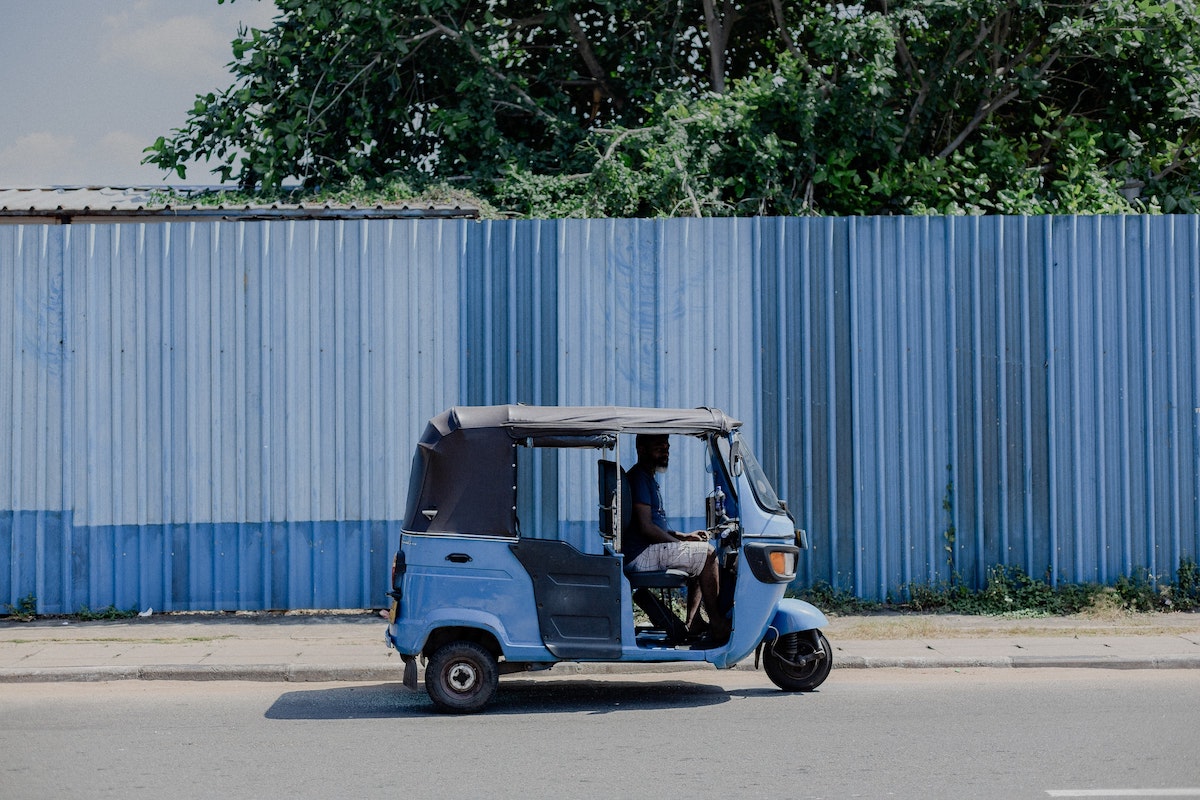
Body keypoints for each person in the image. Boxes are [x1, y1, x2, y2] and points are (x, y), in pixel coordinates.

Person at [623, 433, 730, 642]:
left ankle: (693, 621)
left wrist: (685, 536)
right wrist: (679, 544)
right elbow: (646, 528)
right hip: (640, 554)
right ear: (641, 449)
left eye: (667, 445)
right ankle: (718, 624)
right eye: (658, 445)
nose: (665, 449)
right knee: (707, 554)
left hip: (647, 549)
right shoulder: (639, 478)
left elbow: (655, 526)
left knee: (698, 550)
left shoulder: (648, 478)